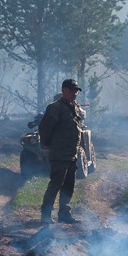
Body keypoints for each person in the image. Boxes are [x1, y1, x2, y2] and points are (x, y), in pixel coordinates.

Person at [38, 78, 86, 225]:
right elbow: (45, 127)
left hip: (72, 154)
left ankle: (64, 214)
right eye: (73, 90)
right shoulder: (55, 107)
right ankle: (46, 215)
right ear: (64, 90)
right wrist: (46, 143)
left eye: (77, 91)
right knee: (56, 184)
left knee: (69, 186)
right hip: (59, 153)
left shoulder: (75, 107)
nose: (75, 93)